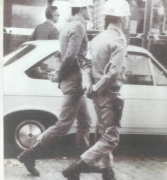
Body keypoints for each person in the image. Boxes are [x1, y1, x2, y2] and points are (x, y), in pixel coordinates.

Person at [17, 0, 94, 177]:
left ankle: (82, 162)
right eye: (89, 7)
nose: (90, 10)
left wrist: (59, 73)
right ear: (82, 8)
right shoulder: (79, 27)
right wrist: (60, 75)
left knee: (85, 121)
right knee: (64, 124)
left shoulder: (66, 27)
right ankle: (30, 154)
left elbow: (63, 55)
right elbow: (70, 57)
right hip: (74, 83)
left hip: (74, 82)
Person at [62, 0, 131, 180]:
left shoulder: (97, 39)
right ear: (122, 19)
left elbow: (87, 64)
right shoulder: (119, 41)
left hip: (97, 96)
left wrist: (89, 86)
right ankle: (76, 167)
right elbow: (114, 73)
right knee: (111, 138)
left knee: (103, 131)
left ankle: (108, 171)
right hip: (111, 95)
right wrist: (97, 87)